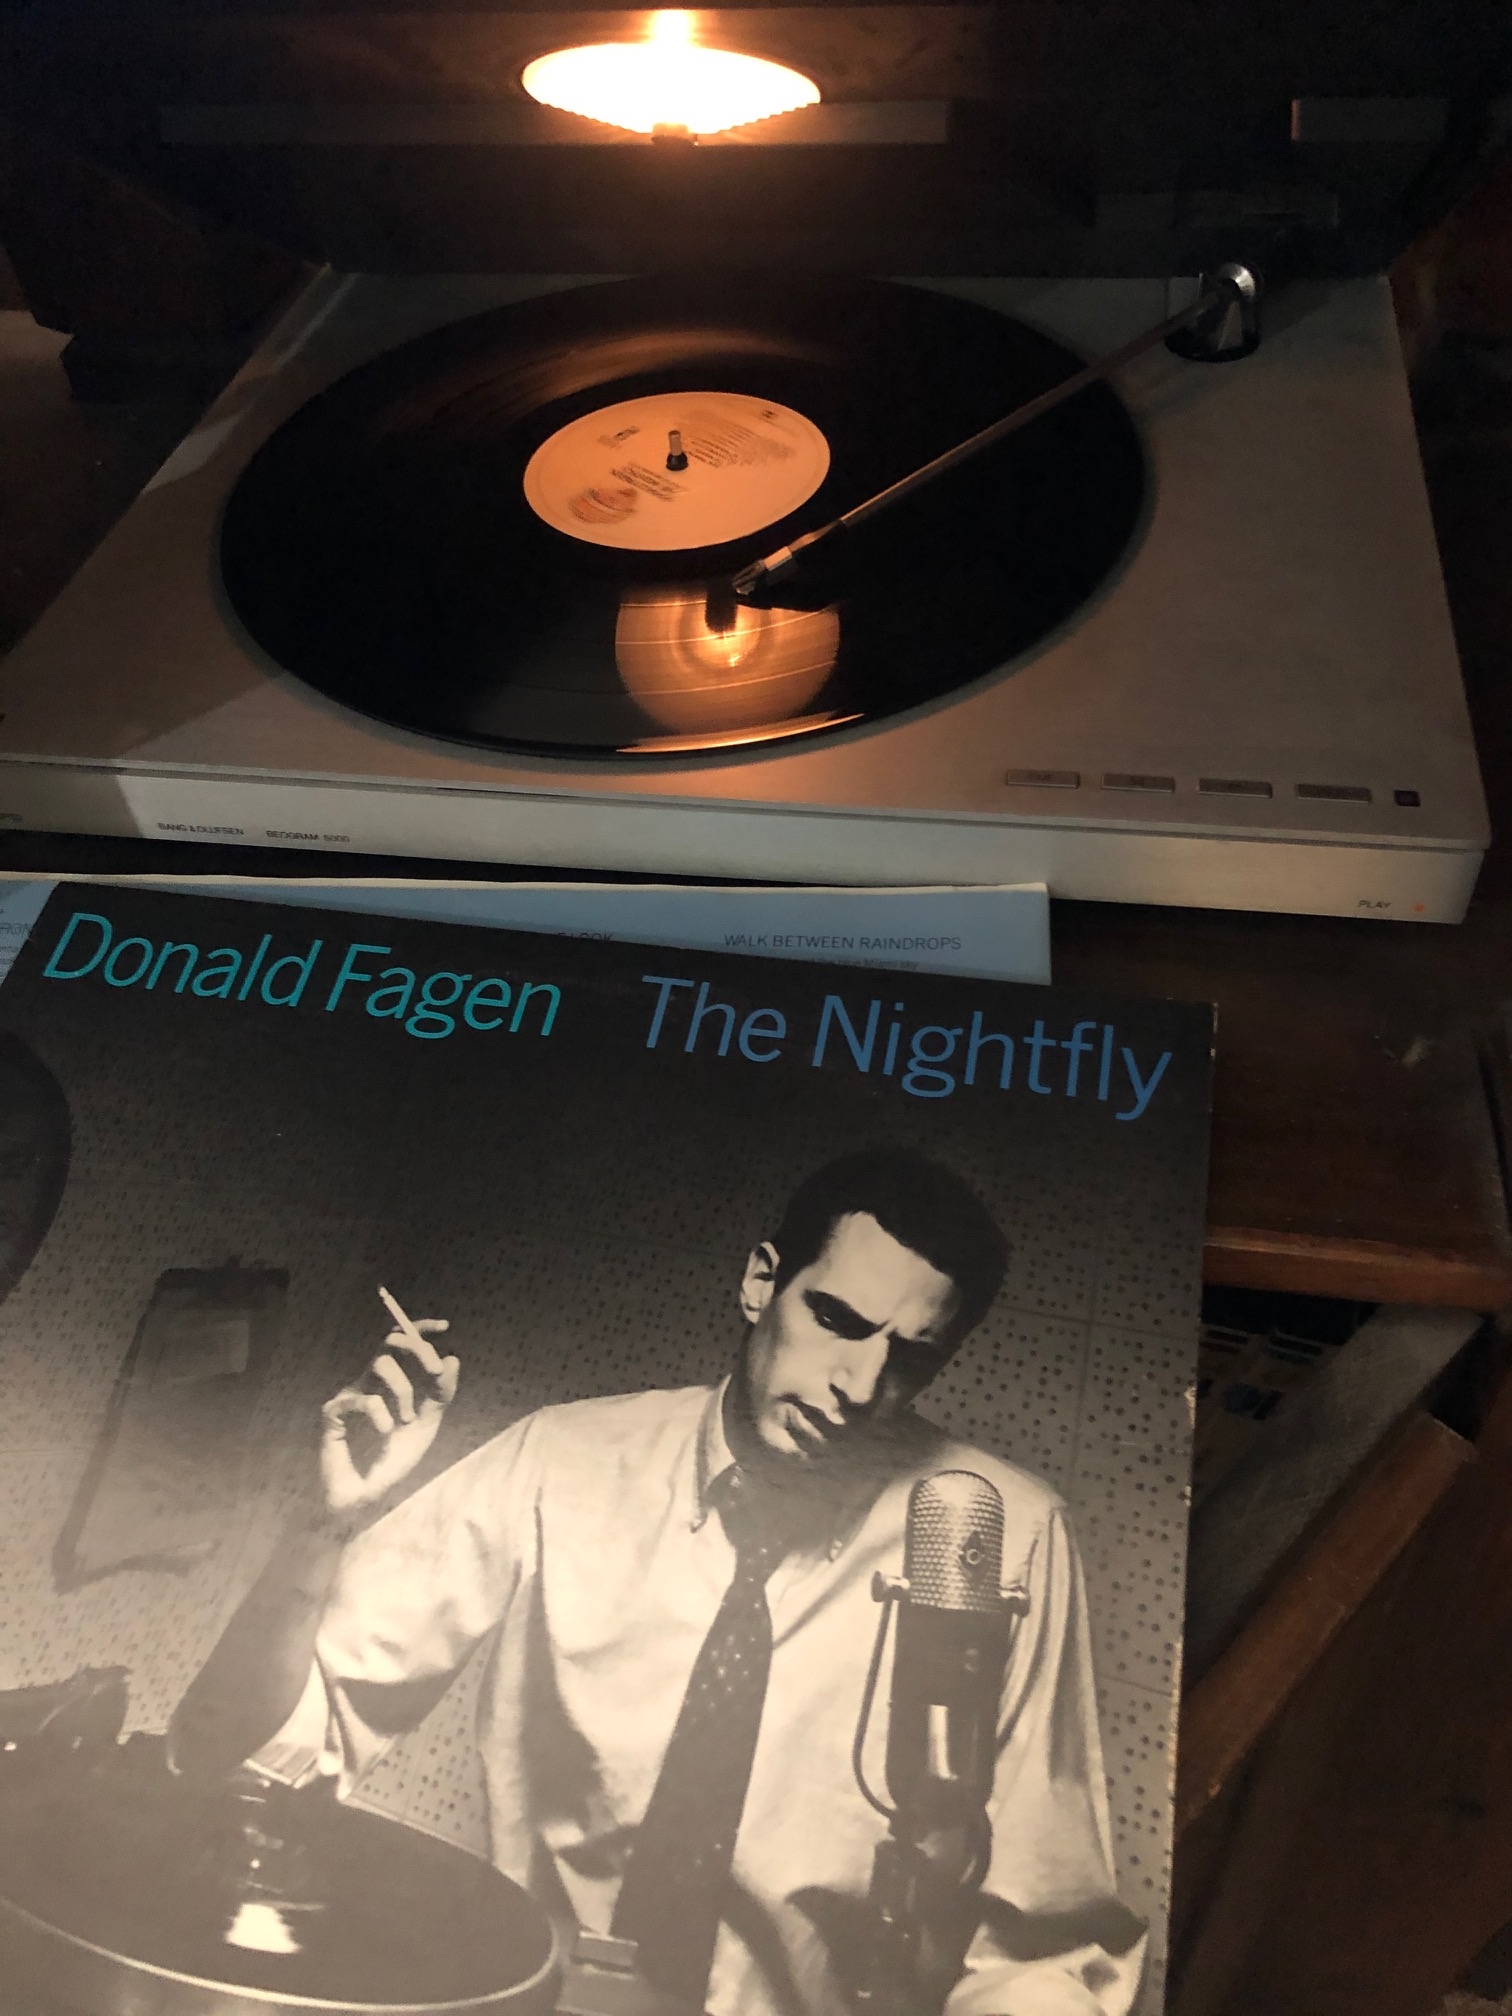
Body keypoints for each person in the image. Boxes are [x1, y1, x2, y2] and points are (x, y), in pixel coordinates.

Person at [170, 1147, 1145, 2016]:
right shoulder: (561, 1460)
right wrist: (327, 1526)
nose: (857, 1386)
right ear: (761, 1282)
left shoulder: (998, 1534)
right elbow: (250, 1752)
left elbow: (1045, 1955)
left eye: (911, 1357)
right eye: (836, 1320)